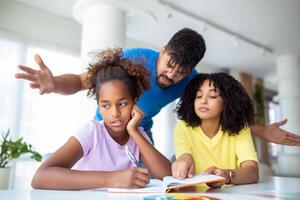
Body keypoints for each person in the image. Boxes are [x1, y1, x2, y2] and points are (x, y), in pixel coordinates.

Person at [15, 28, 300, 146]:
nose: (172, 74)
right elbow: (80, 81)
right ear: (162, 50)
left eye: (182, 70)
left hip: (140, 136)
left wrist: (262, 130)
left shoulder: (190, 81)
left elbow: (214, 113)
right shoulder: (133, 58)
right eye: (170, 63)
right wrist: (53, 85)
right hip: (103, 129)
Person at [31, 48, 171, 190]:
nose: (115, 113)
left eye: (122, 104)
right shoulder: (92, 132)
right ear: (98, 106)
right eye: (106, 106)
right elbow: (40, 177)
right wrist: (110, 179)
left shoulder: (137, 135)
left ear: (134, 102)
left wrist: (134, 132)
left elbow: (168, 175)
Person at [172, 73, 259, 188]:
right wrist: (182, 161)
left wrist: (226, 175)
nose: (203, 101)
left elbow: (253, 172)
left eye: (212, 96)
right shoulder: (183, 127)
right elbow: (184, 156)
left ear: (228, 101)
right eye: (198, 96)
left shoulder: (240, 129)